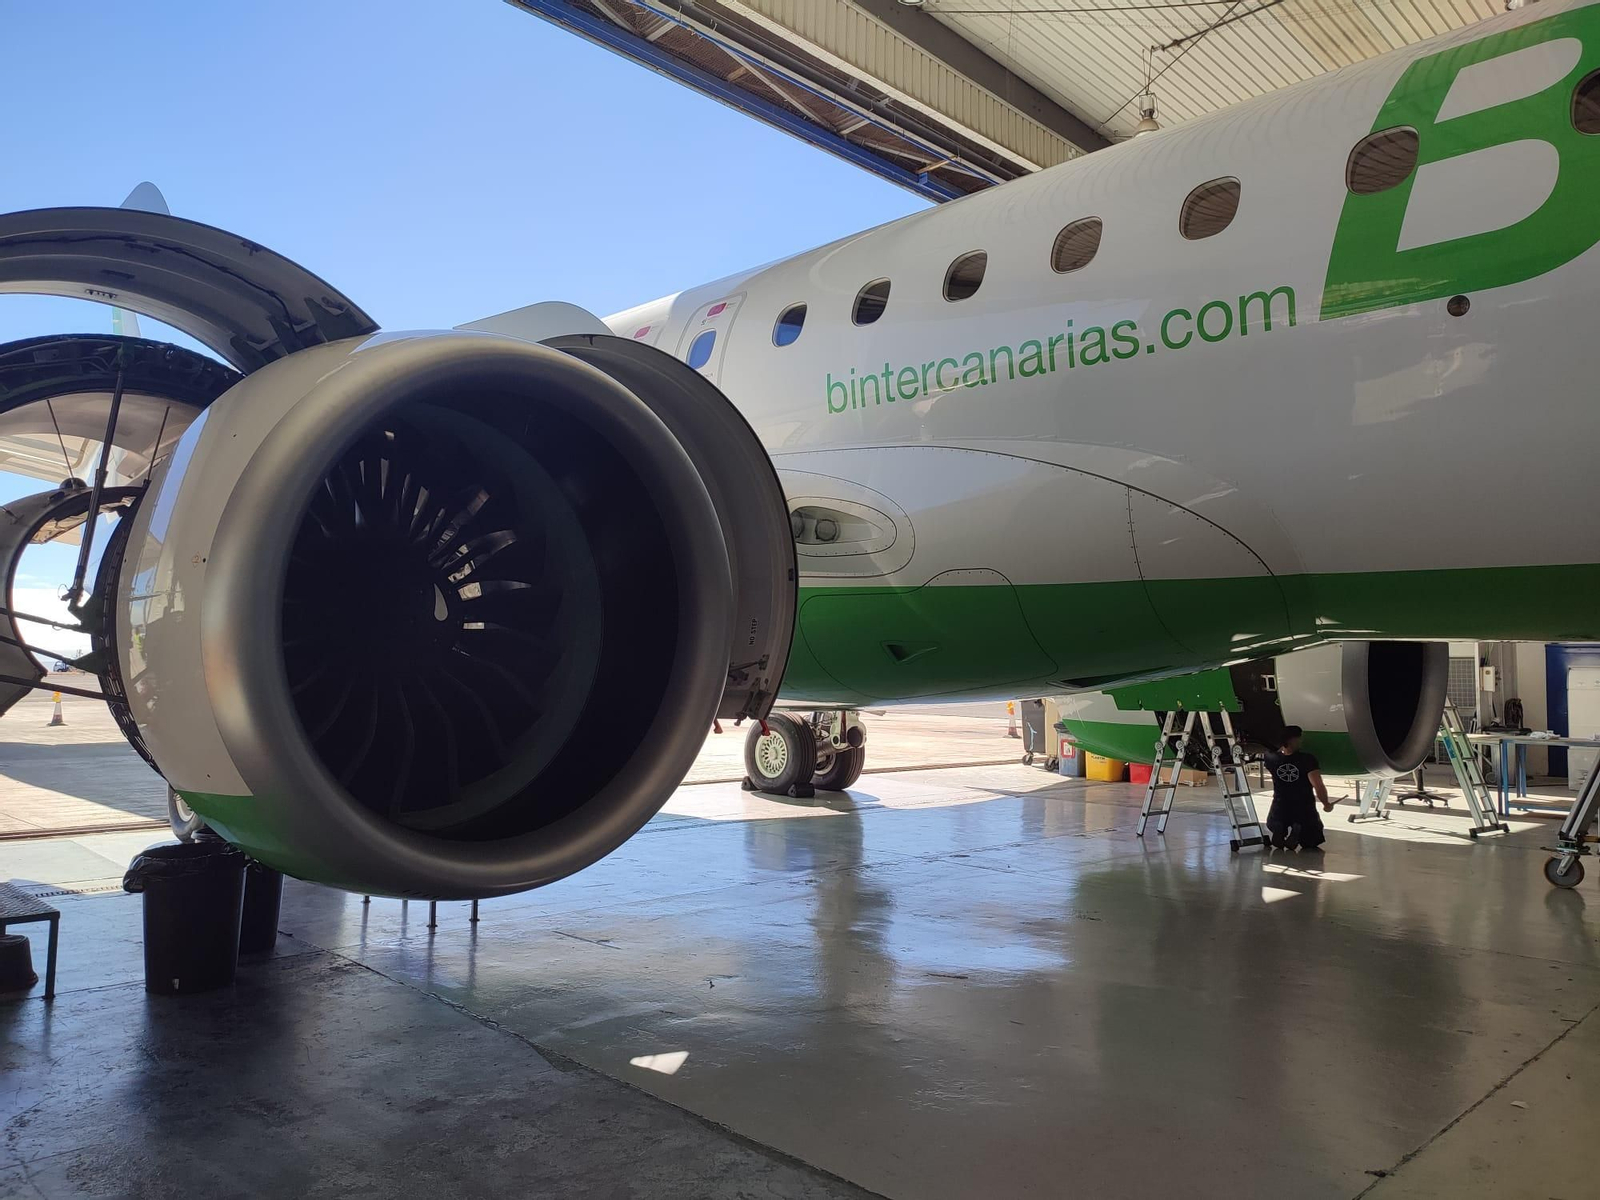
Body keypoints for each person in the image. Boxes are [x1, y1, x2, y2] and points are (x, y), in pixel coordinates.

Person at [1264, 725, 1333, 851]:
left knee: (1275, 820)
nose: (1301, 741)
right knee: (1312, 840)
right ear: (1292, 740)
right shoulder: (1307, 759)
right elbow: (1318, 784)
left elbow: (1277, 752)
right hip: (1303, 807)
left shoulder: (1270, 758)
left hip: (1280, 805)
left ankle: (1279, 826)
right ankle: (1299, 828)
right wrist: (1326, 803)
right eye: (1299, 738)